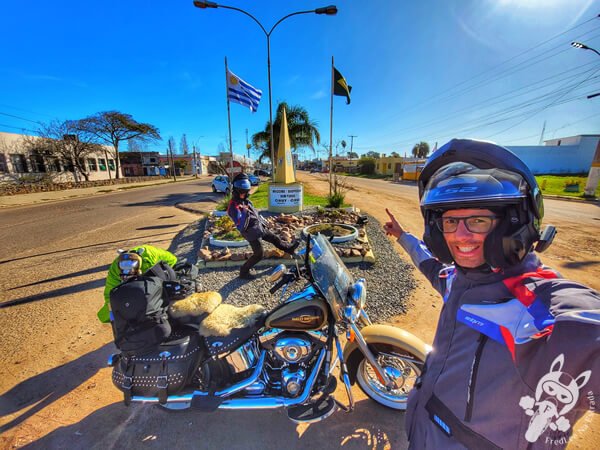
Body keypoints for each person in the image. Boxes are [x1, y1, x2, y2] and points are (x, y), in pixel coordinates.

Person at [384, 139, 599, 449]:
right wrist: (403, 236)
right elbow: (430, 265)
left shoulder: (543, 311)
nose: (460, 235)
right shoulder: (460, 282)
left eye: (478, 220)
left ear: (512, 225)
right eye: (450, 221)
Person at [227, 173, 299, 279]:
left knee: (274, 238)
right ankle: (243, 272)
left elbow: (254, 214)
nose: (244, 194)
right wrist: (245, 213)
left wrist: (263, 222)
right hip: (250, 233)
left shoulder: (246, 201)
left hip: (258, 227)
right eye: (242, 192)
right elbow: (241, 226)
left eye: (246, 192)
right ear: (236, 191)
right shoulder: (233, 206)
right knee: (259, 254)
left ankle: (289, 249)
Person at [98, 245, 177, 323]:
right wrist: (113, 314)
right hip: (137, 289)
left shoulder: (150, 256)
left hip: (155, 279)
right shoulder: (115, 268)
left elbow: (173, 260)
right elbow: (110, 294)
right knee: (104, 315)